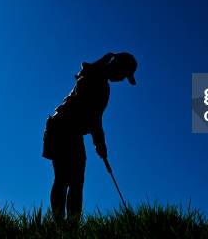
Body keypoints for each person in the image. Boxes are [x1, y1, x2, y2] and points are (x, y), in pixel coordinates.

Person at [42, 52, 138, 221]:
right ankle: (60, 226)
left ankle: (71, 227)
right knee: (64, 179)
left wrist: (99, 143)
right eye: (124, 74)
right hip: (62, 128)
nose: (123, 79)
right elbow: (93, 116)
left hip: (70, 131)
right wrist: (99, 143)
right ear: (117, 66)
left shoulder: (99, 80)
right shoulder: (95, 79)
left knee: (75, 182)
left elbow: (94, 117)